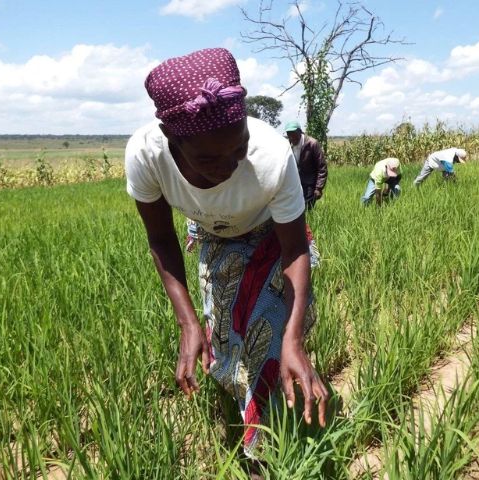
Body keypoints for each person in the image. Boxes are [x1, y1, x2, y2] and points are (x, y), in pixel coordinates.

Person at [124, 48, 328, 462]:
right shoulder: (146, 155)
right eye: (208, 159)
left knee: (269, 339)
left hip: (272, 235)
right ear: (170, 136)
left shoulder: (271, 155)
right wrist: (187, 322)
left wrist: (295, 339)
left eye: (239, 148)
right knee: (227, 342)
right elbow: (162, 239)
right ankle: (247, 415)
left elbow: (294, 249)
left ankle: (267, 458)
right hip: (213, 236)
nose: (230, 166)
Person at [284, 121, 328, 210]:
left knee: (307, 209)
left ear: (300, 132)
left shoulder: (312, 144)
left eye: (293, 134)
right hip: (295, 183)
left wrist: (318, 188)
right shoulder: (288, 145)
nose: (291, 137)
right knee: (294, 209)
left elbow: (322, 167)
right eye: (289, 134)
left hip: (310, 183)